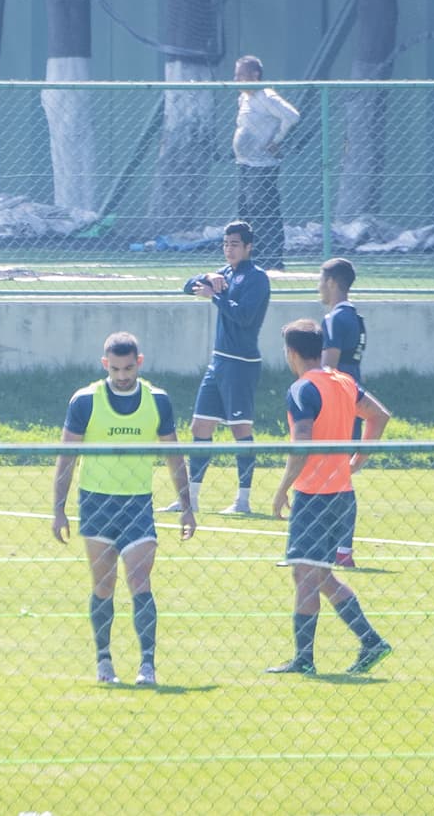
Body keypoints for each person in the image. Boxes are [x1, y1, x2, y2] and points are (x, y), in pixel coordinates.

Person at [52, 332, 196, 687]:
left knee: (139, 580)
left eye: (128, 367)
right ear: (105, 365)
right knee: (103, 585)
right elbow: (66, 456)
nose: (122, 375)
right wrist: (58, 509)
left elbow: (173, 455)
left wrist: (187, 506)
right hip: (96, 502)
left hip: (137, 504)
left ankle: (147, 665)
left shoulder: (157, 401)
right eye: (115, 369)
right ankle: (104, 661)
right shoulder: (84, 401)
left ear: (140, 362)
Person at [268, 319, 392, 676]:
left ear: (291, 353)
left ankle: (304, 659)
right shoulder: (342, 381)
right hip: (341, 494)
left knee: (306, 576)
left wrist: (282, 489)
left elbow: (301, 443)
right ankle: (371, 641)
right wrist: (357, 460)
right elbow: (379, 416)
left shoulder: (302, 388)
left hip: (314, 494)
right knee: (318, 576)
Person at [163, 220, 270, 515]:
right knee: (200, 426)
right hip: (219, 361)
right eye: (225, 244)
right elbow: (188, 287)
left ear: (248, 247)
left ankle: (243, 500)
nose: (229, 249)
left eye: (235, 244)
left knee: (240, 429)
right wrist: (207, 276)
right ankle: (190, 498)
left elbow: (245, 317)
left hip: (242, 363)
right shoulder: (223, 274)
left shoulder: (257, 278)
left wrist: (216, 297)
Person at [319, 257, 369, 568]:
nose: (318, 287)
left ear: (333, 282)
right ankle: (339, 548)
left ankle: (336, 548)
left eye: (321, 280)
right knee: (337, 475)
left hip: (337, 405)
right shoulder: (356, 318)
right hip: (351, 400)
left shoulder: (335, 318)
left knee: (332, 475)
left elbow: (328, 368)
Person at [232, 55, 300, 270]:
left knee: (264, 210)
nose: (237, 80)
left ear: (255, 75)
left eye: (241, 75)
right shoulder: (244, 98)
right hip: (245, 163)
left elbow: (292, 116)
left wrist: (276, 140)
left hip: (262, 166)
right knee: (247, 211)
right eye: (236, 75)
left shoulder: (266, 96)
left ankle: (272, 260)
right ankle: (251, 257)